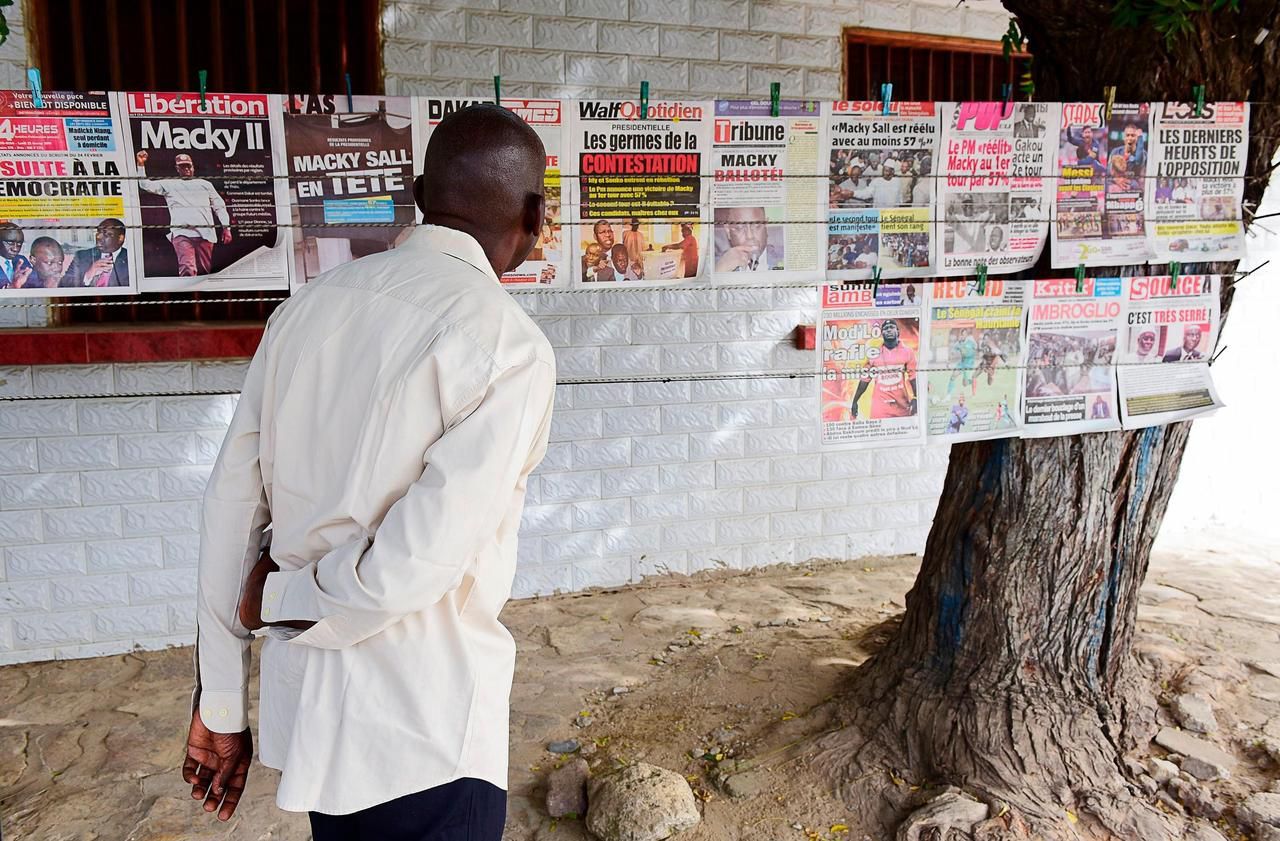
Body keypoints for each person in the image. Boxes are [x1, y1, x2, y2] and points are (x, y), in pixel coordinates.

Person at [185, 104, 556, 841]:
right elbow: (406, 570)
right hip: (426, 729)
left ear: (419, 195)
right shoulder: (508, 345)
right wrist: (280, 594)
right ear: (537, 214)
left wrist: (221, 699)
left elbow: (230, 507)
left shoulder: (305, 311)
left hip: (314, 719)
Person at [136, 151, 232, 276]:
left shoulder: (205, 184)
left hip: (205, 234)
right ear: (177, 168)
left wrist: (226, 227)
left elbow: (219, 206)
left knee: (205, 271)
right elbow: (145, 185)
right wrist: (141, 164)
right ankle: (189, 294)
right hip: (182, 234)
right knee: (187, 268)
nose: (186, 169)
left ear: (193, 167)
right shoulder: (169, 184)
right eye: (182, 166)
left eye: (188, 166)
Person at [849, 319, 917, 419]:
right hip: (880, 410)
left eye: (891, 327)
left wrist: (916, 398)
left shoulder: (907, 352)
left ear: (897, 332)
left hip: (902, 407)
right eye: (885, 328)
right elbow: (865, 380)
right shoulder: (874, 353)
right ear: (882, 334)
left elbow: (913, 377)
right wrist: (855, 401)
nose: (889, 330)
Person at [60, 218, 130, 288]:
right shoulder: (81, 256)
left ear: (120, 238)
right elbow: (63, 285)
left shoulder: (131, 259)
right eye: (98, 232)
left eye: (105, 234)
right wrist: (88, 275)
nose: (98, 237)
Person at [715, 206, 782, 272]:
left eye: (757, 226)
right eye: (740, 228)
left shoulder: (785, 257)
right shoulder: (716, 265)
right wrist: (721, 270)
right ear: (728, 231)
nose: (749, 236)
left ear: (766, 226)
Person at [0, 222, 29, 289]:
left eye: (19, 244)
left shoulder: (22, 260)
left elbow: (34, 284)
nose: (15, 249)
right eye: (10, 243)